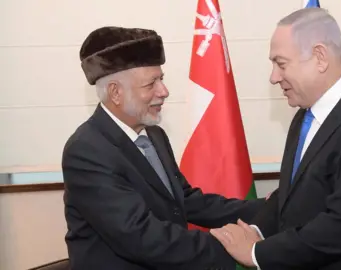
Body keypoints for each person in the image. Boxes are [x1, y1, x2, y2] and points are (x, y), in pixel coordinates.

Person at [211, 7, 341, 270]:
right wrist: (255, 229)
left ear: (320, 57)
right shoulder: (305, 114)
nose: (273, 77)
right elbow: (292, 194)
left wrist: (256, 253)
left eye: (281, 63)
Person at [62, 26, 265, 270]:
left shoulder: (154, 135)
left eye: (162, 79)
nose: (164, 91)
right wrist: (233, 245)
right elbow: (140, 236)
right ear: (116, 92)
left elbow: (185, 202)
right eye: (151, 84)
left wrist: (267, 208)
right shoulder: (87, 151)